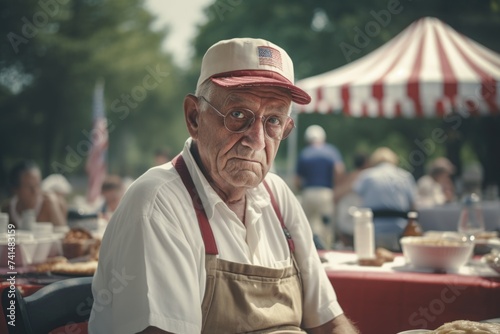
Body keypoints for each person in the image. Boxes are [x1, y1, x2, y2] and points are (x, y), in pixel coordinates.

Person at [89, 38, 358, 334]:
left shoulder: (277, 195)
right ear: (194, 117)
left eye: (274, 121)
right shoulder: (158, 203)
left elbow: (331, 323)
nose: (256, 140)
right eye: (238, 115)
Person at [353, 147, 417, 252]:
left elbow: (357, 198)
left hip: (373, 231)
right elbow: (413, 206)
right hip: (400, 231)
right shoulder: (405, 176)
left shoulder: (366, 176)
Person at [295, 125, 345, 249]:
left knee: (307, 225)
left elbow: (297, 180)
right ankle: (326, 250)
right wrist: (336, 186)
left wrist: (302, 189)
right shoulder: (331, 151)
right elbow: (339, 170)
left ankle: (307, 250)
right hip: (326, 192)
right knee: (326, 226)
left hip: (308, 192)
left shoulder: (305, 153)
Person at [1, 160, 67, 228]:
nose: (35, 191)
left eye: (37, 185)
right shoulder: (8, 209)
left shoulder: (52, 204)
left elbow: (64, 234)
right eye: (29, 187)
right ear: (15, 189)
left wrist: (53, 206)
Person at [333, 152, 369, 248]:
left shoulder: (349, 177)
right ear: (367, 163)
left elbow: (336, 195)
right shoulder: (367, 177)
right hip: (359, 217)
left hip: (348, 218)